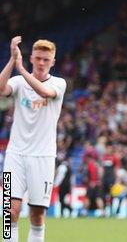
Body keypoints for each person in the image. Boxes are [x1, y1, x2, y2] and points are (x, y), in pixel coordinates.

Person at [1, 36, 67, 242]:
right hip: (15, 155)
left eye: (46, 59)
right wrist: (13, 60)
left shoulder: (59, 83)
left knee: (37, 215)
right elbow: (1, 90)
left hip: (43, 156)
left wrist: (20, 68)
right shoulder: (18, 82)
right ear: (31, 58)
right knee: (8, 211)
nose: (41, 63)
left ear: (53, 62)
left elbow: (44, 92)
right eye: (38, 58)